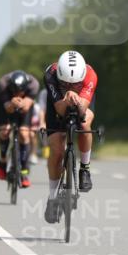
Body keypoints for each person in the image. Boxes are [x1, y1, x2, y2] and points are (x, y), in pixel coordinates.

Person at [42, 50, 98, 224]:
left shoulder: (90, 75)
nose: (71, 87)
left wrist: (78, 100)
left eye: (75, 84)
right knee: (57, 148)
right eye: (65, 84)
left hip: (82, 103)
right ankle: (52, 198)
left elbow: (82, 112)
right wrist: (66, 98)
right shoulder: (50, 74)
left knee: (84, 124)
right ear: (59, 76)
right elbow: (59, 109)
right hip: (57, 104)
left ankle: (85, 169)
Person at [0, 70, 40, 188]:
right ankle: (3, 160)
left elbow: (26, 107)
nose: (18, 93)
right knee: (4, 131)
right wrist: (12, 103)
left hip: (26, 105)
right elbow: (8, 109)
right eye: (15, 91)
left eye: (20, 91)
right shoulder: (3, 84)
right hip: (6, 103)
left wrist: (21, 103)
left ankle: (24, 170)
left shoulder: (33, 84)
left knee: (24, 134)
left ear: (25, 88)